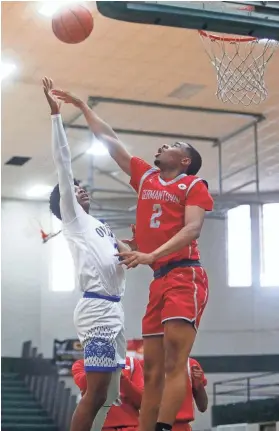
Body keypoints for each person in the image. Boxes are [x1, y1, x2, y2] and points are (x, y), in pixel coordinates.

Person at [51, 88, 214, 431]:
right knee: (144, 373)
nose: (161, 147)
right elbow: (110, 141)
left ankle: (164, 427)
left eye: (172, 146)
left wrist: (146, 251)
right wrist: (82, 107)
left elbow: (193, 229)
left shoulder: (192, 185)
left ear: (185, 161)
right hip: (143, 287)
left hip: (184, 275)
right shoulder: (146, 178)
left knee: (172, 362)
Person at [42, 77, 131, 431]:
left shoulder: (101, 226)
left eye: (81, 188)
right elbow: (63, 162)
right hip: (96, 311)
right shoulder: (74, 219)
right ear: (65, 203)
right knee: (93, 395)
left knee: (109, 395)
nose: (80, 190)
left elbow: (124, 258)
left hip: (115, 310)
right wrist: (55, 117)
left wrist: (137, 250)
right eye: (74, 189)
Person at [72, 356, 144, 431]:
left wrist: (122, 378)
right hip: (99, 425)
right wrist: (103, 365)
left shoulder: (132, 363)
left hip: (131, 426)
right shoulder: (81, 364)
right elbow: (86, 386)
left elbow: (141, 400)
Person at [173, 358, 208, 431]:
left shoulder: (191, 364)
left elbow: (203, 407)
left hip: (182, 426)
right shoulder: (149, 363)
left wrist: (198, 384)